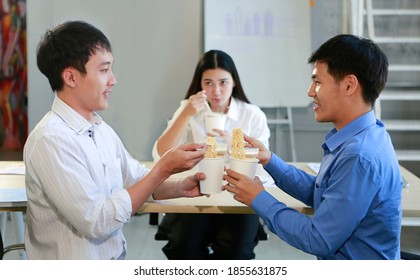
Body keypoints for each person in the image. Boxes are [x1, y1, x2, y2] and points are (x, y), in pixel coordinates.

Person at [23, 20, 206, 260]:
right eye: (104, 70)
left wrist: (179, 186)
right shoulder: (51, 140)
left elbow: (137, 180)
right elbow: (96, 220)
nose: (113, 80)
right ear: (71, 77)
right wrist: (163, 168)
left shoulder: (99, 128)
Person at [224, 34, 403, 260]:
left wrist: (258, 198)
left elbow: (318, 239)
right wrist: (269, 160)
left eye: (318, 82)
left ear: (349, 85)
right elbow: (325, 193)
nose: (310, 92)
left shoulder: (358, 155)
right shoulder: (365, 134)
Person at [152, 50, 270, 259]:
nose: (216, 91)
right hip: (199, 191)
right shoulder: (190, 109)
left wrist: (235, 145)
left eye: (223, 82)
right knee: (183, 248)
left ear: (234, 82)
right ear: (200, 85)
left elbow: (263, 166)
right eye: (208, 83)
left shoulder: (252, 115)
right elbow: (162, 153)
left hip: (239, 198)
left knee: (236, 253)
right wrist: (187, 112)